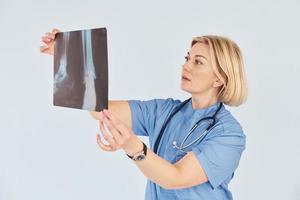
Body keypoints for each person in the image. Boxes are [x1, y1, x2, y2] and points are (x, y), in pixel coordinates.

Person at [40, 28, 248, 200]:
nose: (186, 65)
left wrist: (132, 146)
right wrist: (69, 57)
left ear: (219, 78)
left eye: (198, 62)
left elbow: (175, 178)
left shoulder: (228, 135)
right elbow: (99, 109)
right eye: (187, 58)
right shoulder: (165, 111)